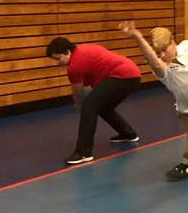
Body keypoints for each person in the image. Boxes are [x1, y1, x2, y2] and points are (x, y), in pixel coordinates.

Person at [118, 21, 188, 181]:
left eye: (164, 50)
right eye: (158, 52)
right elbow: (152, 60)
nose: (162, 55)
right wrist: (137, 37)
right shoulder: (164, 70)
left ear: (173, 41)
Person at [47, 37, 142, 165]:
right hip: (132, 74)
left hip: (123, 76)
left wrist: (80, 105)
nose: (58, 62)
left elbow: (78, 92)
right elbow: (92, 80)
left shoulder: (75, 66)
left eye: (58, 58)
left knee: (90, 106)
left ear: (68, 52)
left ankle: (83, 152)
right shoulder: (83, 49)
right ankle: (128, 134)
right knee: (102, 107)